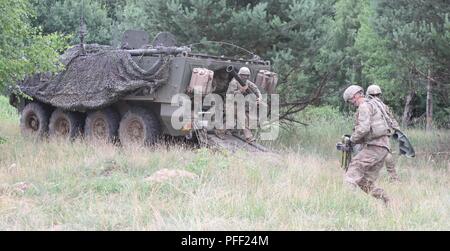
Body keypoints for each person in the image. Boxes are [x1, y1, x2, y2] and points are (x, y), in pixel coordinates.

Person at [342, 85, 391, 205]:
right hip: (383, 147)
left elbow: (363, 129)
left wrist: (351, 140)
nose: (352, 104)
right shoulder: (376, 105)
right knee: (364, 182)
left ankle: (346, 205)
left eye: (350, 101)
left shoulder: (364, 106)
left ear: (355, 96)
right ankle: (388, 201)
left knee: (353, 171)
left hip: (375, 146)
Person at [366, 84, 401, 182]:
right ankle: (393, 178)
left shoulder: (368, 105)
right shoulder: (383, 105)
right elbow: (391, 119)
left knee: (371, 153)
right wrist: (396, 130)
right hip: (386, 132)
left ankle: (369, 178)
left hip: (374, 134)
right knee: (386, 153)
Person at [226, 67, 262, 142]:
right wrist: (240, 90)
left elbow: (256, 89)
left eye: (247, 75)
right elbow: (230, 96)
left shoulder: (247, 82)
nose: (245, 77)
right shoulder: (234, 82)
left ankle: (222, 130)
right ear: (239, 75)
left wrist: (260, 97)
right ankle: (248, 137)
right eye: (243, 75)